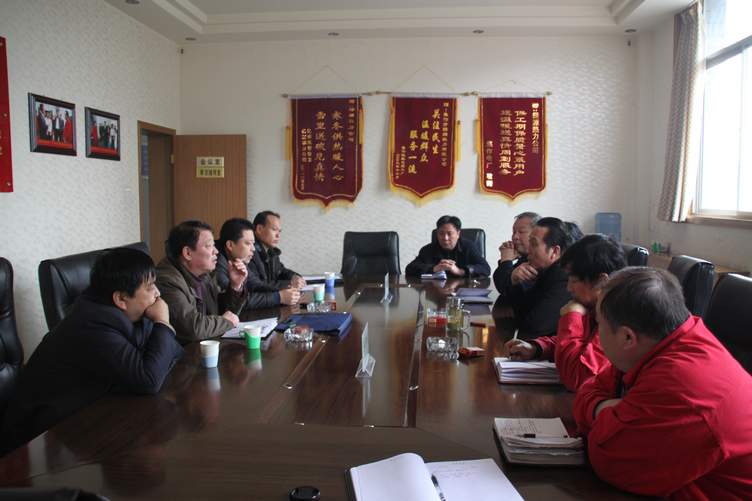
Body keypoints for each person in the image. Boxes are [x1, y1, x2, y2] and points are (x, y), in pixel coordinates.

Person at [574, 267, 752, 499]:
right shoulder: (670, 340)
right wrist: (600, 408)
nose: (597, 331)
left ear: (627, 337)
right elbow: (590, 387)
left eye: (599, 323)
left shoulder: (682, 383)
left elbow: (609, 460)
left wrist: (596, 411)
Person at [0, 248, 184, 454]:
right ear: (121, 299)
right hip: (36, 441)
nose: (158, 293)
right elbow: (148, 380)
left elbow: (174, 352)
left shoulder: (127, 314)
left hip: (88, 416)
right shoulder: (93, 324)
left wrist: (157, 334)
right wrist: (162, 322)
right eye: (150, 288)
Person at [505, 234, 626, 390]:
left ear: (602, 281)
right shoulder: (595, 306)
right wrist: (538, 348)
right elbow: (583, 343)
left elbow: (577, 378)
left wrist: (572, 317)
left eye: (574, 280)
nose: (568, 288)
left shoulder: (616, 318)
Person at [156, 220, 247, 343]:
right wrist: (226, 321)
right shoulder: (167, 280)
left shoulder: (203, 274)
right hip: (184, 352)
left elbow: (225, 313)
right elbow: (192, 328)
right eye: (209, 246)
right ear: (188, 253)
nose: (216, 251)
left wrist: (235, 286)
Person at [499, 217, 580, 336]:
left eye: (533, 244)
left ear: (554, 251)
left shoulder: (563, 278)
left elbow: (534, 326)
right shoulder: (543, 270)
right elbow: (519, 313)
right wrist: (515, 281)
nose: (528, 249)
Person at [214, 217, 295, 309]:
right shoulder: (216, 262)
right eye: (248, 243)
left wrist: (288, 288)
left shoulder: (238, 259)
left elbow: (256, 285)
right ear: (230, 245)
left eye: (253, 243)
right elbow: (236, 300)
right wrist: (278, 297)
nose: (253, 249)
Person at [247, 211, 304, 307]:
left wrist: (294, 277)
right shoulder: (249, 253)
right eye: (274, 230)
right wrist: (289, 283)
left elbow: (281, 271)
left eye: (279, 231)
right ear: (259, 229)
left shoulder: (271, 252)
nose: (278, 236)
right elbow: (258, 285)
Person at [405, 215, 491, 277]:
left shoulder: (468, 247)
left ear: (458, 234)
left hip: (462, 291)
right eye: (441, 233)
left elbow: (485, 269)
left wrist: (460, 271)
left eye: (449, 234)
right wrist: (434, 268)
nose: (445, 238)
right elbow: (409, 269)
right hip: (436, 291)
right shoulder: (428, 249)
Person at [493, 211, 539, 298]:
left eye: (521, 232)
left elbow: (504, 288)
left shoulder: (537, 262)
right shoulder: (524, 258)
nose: (515, 237)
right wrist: (505, 260)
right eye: (514, 232)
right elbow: (500, 283)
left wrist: (506, 260)